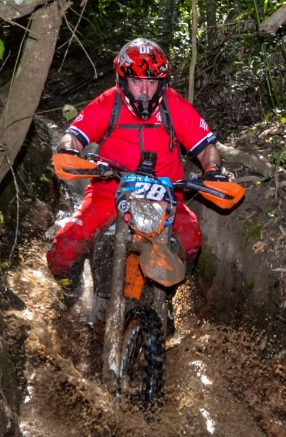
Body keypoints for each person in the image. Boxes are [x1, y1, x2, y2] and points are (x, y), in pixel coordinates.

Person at [46, 37, 229, 282]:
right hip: (109, 191)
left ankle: (171, 294)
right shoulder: (109, 103)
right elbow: (74, 135)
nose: (144, 91)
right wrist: (68, 152)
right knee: (64, 248)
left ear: (162, 82)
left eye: (151, 82)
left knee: (191, 239)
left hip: (167, 196)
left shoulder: (174, 106)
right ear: (123, 81)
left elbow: (207, 147)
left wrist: (213, 170)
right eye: (136, 82)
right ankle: (70, 290)